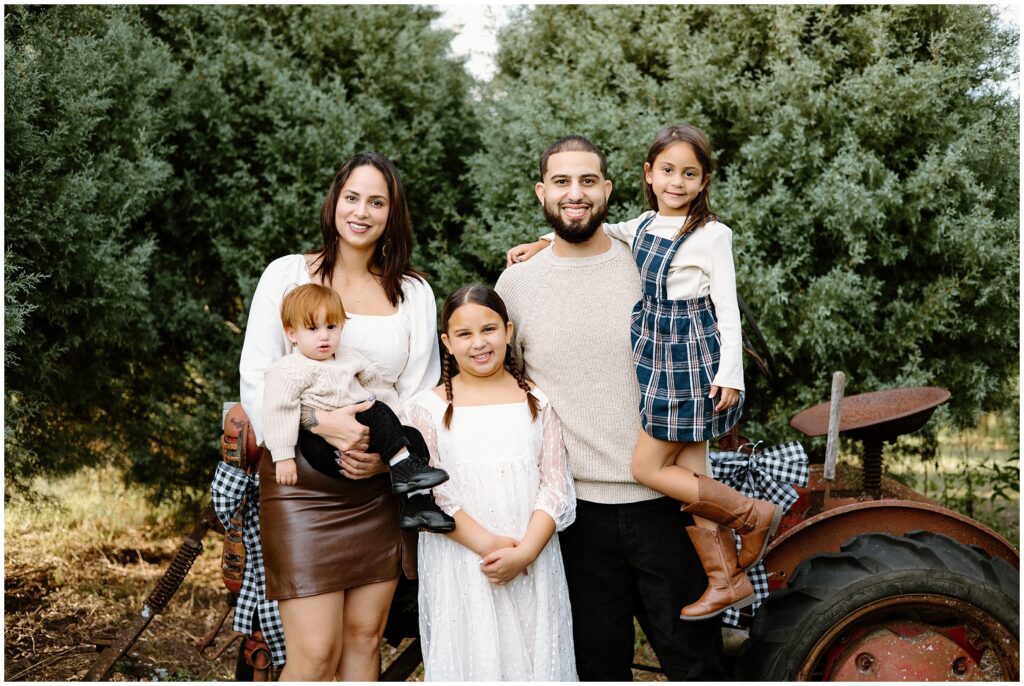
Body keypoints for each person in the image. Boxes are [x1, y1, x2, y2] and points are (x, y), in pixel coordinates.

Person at [507, 126, 781, 620]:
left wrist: (731, 375)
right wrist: (542, 241)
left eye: (689, 173)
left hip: (689, 360)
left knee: (649, 467)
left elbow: (728, 308)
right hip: (656, 372)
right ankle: (726, 578)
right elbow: (592, 226)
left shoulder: (711, 235)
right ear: (648, 176)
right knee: (695, 474)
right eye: (667, 171)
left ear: (704, 181)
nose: (676, 181)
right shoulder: (642, 227)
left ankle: (753, 514)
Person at [495, 134, 724, 680]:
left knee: (697, 664)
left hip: (665, 504)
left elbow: (700, 349)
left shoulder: (649, 264)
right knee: (597, 668)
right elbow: (507, 391)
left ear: (610, 189)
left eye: (587, 181)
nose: (575, 193)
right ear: (541, 192)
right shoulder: (517, 284)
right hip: (576, 516)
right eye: (561, 181)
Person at [238, 152, 441, 680]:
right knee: (315, 653)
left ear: (392, 214)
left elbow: (418, 393)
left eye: (377, 202)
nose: (362, 212)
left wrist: (386, 462)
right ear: (334, 203)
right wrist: (316, 423)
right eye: (352, 197)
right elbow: (259, 376)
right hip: (300, 484)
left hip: (376, 488)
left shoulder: (414, 293)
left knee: (363, 641)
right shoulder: (286, 275)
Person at [407, 284, 577, 681]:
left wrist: (526, 551)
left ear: (509, 331)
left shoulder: (536, 399)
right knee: (475, 656)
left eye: (489, 329)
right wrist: (490, 547)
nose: (478, 343)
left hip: (531, 556)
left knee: (535, 655)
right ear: (447, 343)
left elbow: (555, 483)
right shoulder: (425, 409)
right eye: (464, 334)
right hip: (465, 560)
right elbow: (430, 493)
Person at [262, 282, 453, 533]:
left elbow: (376, 390)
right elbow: (277, 411)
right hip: (322, 446)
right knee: (376, 411)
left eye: (331, 327)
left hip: (362, 428)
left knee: (413, 436)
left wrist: (394, 425)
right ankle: (404, 469)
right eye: (312, 328)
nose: (324, 336)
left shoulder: (349, 358)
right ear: (291, 334)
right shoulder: (289, 369)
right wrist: (283, 457)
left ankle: (418, 506)